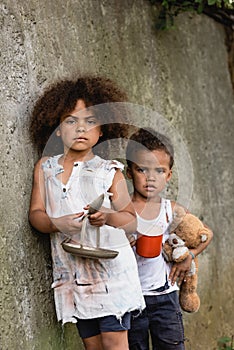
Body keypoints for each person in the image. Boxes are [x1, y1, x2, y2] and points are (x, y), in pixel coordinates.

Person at [28, 76, 145, 350]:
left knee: (115, 344)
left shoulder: (109, 171)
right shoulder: (46, 168)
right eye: (70, 120)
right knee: (92, 346)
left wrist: (108, 216)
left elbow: (130, 218)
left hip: (112, 272)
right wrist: (56, 222)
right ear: (56, 128)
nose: (81, 128)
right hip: (73, 274)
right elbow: (35, 213)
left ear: (102, 130)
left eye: (90, 121)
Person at [125, 127, 213, 350]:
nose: (150, 178)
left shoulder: (170, 209)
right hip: (131, 298)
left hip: (166, 297)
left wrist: (189, 257)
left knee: (172, 345)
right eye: (142, 169)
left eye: (159, 171)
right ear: (129, 172)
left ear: (169, 175)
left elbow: (205, 234)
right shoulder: (122, 211)